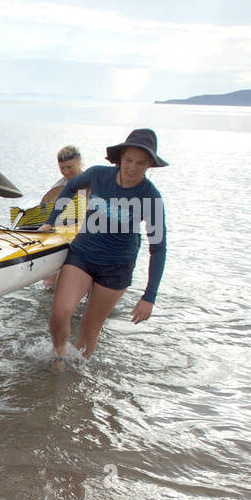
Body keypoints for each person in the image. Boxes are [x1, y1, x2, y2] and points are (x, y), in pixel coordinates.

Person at [47, 129, 167, 361]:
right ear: (120, 158)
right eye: (129, 160)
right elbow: (70, 187)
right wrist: (51, 221)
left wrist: (149, 296)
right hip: (83, 254)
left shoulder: (150, 197)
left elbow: (158, 247)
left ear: (150, 164)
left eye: (140, 163)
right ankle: (59, 356)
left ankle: (76, 372)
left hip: (116, 266)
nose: (132, 167)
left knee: (89, 327)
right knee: (60, 312)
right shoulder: (98, 175)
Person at [38, 145, 84, 288]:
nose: (66, 172)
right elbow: (45, 210)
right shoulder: (58, 186)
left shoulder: (92, 181)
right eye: (62, 168)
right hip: (61, 235)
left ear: (79, 162)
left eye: (70, 167)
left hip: (84, 237)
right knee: (48, 284)